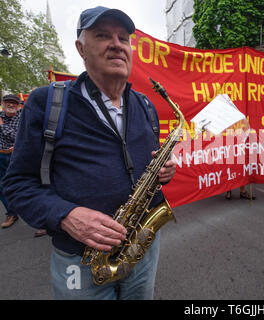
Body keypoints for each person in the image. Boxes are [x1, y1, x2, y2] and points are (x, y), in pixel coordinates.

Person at [3, 6, 176, 300]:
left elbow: (144, 165)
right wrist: (65, 214)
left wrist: (163, 172)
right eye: (102, 35)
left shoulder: (146, 105)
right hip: (80, 261)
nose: (117, 44)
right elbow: (16, 185)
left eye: (124, 38)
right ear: (81, 48)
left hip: (143, 250)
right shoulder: (46, 102)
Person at [0, 94, 21, 228]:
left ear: (18, 106)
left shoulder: (22, 117)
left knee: (22, 184)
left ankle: (35, 212)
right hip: (0, 155)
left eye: (14, 103)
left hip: (15, 155)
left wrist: (1, 126)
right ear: (3, 104)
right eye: (8, 102)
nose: (11, 105)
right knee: (1, 187)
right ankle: (11, 213)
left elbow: (17, 136)